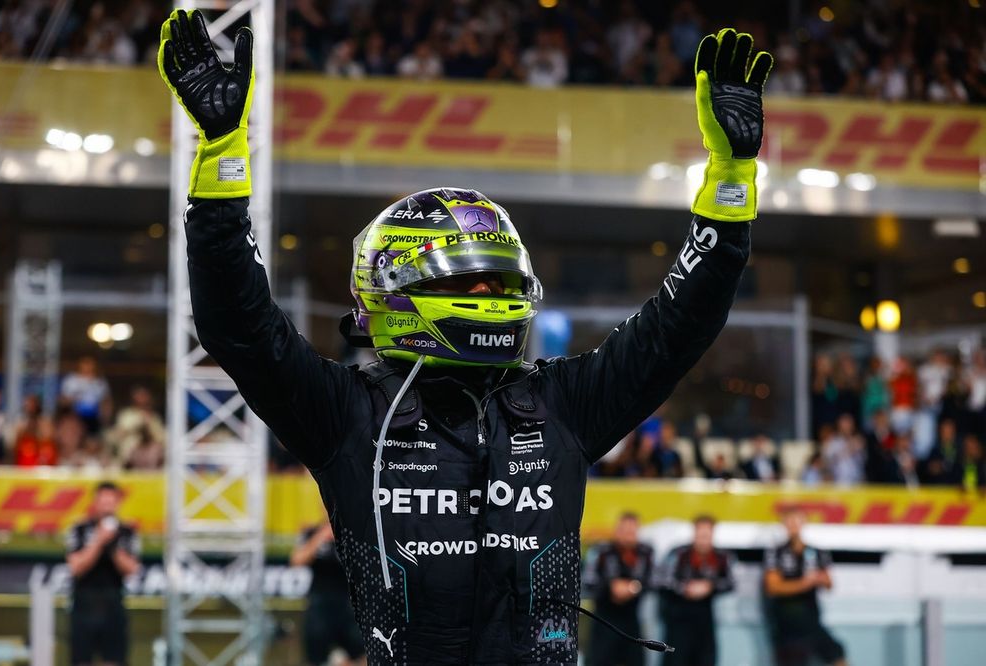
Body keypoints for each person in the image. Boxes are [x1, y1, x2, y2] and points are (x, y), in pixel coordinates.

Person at [158, 13, 770, 663]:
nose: (495, 301)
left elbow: (679, 329)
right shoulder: (346, 415)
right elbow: (238, 327)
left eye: (504, 285)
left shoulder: (562, 404)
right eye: (477, 284)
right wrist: (223, 154)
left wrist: (730, 180)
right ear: (400, 282)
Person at [65, 481, 141, 666]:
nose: (107, 506)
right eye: (103, 501)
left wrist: (113, 546)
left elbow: (132, 569)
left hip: (113, 606)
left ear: (117, 503)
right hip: (84, 606)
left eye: (111, 502)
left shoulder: (127, 531)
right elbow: (76, 567)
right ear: (95, 502)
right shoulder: (79, 529)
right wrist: (99, 541)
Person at [764, 506, 847, 666]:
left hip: (811, 620)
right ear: (783, 524)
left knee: (838, 655)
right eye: (789, 521)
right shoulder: (776, 552)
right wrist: (804, 583)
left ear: (804, 523)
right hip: (786, 623)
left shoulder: (816, 552)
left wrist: (820, 579)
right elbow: (773, 587)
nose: (793, 524)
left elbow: (829, 583)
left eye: (797, 520)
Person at [658, 515, 736, 666]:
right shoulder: (678, 554)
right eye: (700, 534)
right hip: (678, 620)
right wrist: (685, 588)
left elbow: (730, 583)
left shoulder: (721, 557)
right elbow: (661, 580)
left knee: (706, 660)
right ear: (694, 533)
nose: (703, 539)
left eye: (707, 535)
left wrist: (709, 586)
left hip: (705, 621)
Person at [582, 513, 656, 666]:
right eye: (625, 531)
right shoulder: (601, 552)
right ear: (617, 531)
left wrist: (633, 588)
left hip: (632, 621)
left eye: (632, 532)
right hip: (604, 620)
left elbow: (655, 580)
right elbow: (587, 582)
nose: (629, 536)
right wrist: (610, 587)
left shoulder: (645, 553)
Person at [291, 521, 365, 666]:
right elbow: (297, 560)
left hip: (349, 604)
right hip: (320, 604)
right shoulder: (312, 532)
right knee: (316, 655)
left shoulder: (355, 529)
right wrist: (320, 537)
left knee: (361, 654)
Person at [60, 356, 111, 433]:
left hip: (94, 417)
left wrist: (105, 418)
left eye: (90, 363)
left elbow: (106, 401)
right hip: (74, 416)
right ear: (80, 364)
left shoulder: (100, 381)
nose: (88, 366)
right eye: (85, 363)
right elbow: (63, 400)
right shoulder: (71, 380)